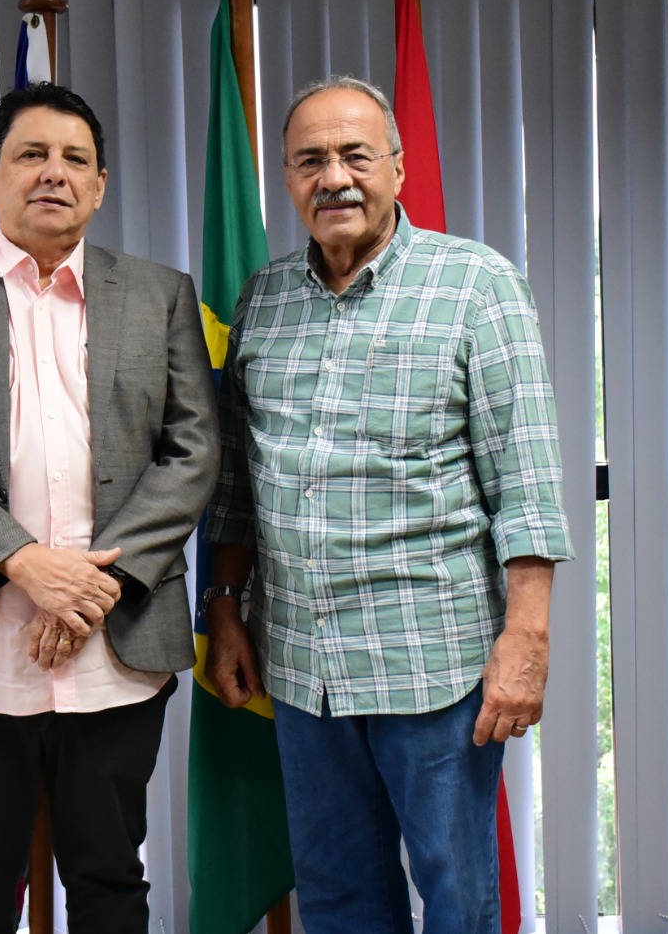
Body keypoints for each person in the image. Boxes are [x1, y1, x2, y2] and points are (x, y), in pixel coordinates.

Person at [202, 76, 574, 934]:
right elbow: (235, 490)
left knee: (455, 898)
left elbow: (525, 481)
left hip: (434, 668)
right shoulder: (262, 302)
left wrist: (526, 639)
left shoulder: (476, 286)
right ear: (288, 181)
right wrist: (223, 610)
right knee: (336, 899)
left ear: (397, 170)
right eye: (309, 161)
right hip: (302, 667)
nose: (334, 177)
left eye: (355, 156)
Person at [0, 82, 219, 933]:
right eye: (31, 155)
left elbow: (193, 448)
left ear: (100, 186)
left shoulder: (159, 294)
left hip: (116, 650)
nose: (53, 173)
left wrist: (94, 586)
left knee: (109, 886)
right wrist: (28, 566)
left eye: (75, 159)